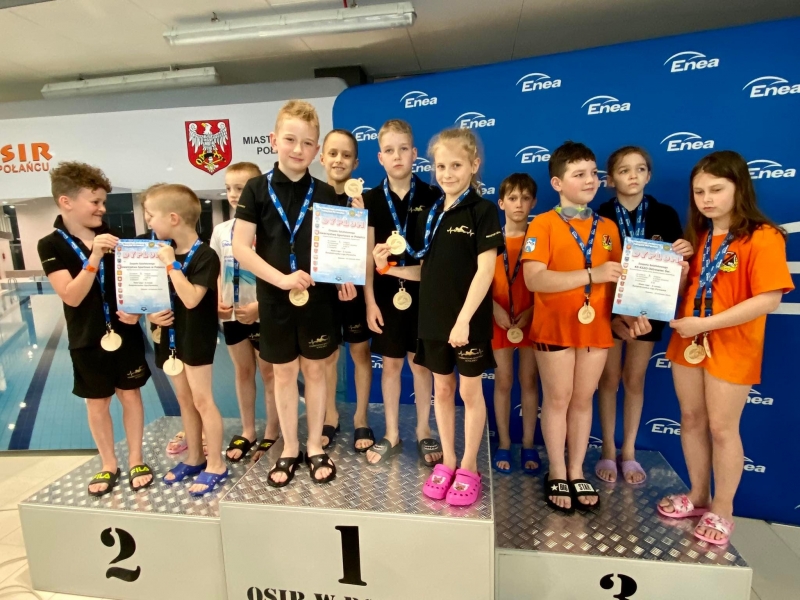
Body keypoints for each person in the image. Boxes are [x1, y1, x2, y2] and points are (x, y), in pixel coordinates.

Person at [658, 150, 793, 545]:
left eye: (716, 189)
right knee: (691, 419)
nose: (707, 199)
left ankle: (723, 509)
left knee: (722, 428)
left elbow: (768, 299)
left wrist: (706, 324)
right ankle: (698, 495)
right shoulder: (699, 238)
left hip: (732, 343)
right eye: (699, 191)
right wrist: (680, 272)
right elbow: (688, 293)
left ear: (739, 188)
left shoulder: (763, 236)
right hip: (689, 340)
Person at [375, 127, 503, 506]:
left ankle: (469, 466)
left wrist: (463, 320)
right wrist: (388, 269)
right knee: (442, 391)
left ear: (474, 165)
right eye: (441, 166)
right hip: (432, 321)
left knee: (469, 392)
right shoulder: (432, 213)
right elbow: (425, 271)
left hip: (468, 323)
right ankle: (447, 461)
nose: (447, 174)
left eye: (456, 165)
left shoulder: (482, 211)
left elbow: (485, 271)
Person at [521, 141, 651, 513]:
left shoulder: (607, 227)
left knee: (582, 401)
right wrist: (591, 274)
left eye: (593, 173)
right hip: (554, 328)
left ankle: (576, 470)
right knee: (558, 400)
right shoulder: (543, 224)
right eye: (579, 174)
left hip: (595, 329)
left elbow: (617, 283)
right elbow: (534, 279)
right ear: (558, 183)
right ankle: (557, 471)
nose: (590, 180)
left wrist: (626, 317)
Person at [232, 99, 355, 487]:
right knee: (283, 373)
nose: (298, 149)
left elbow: (338, 251)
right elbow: (240, 248)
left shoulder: (327, 193)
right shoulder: (256, 189)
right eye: (290, 139)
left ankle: (315, 445)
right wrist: (281, 280)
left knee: (316, 371)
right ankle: (289, 447)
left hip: (317, 300)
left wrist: (345, 277)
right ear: (274, 140)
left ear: (316, 149)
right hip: (275, 300)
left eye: (307, 143)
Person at [38, 161, 153, 496]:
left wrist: (138, 311)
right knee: (97, 402)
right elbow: (71, 296)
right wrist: (94, 257)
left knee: (130, 395)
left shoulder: (117, 240)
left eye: (103, 201)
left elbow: (136, 288)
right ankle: (108, 463)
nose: (102, 208)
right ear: (66, 201)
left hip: (124, 333)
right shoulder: (51, 245)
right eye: (95, 201)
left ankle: (135, 458)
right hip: (86, 337)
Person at [595, 147, 693, 484]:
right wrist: (609, 315)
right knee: (608, 380)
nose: (633, 176)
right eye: (624, 170)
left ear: (649, 175)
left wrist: (683, 258)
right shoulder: (601, 215)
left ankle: (629, 452)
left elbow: (677, 274)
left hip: (650, 311)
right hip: (609, 311)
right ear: (610, 179)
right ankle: (608, 449)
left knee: (634, 380)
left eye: (639, 169)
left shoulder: (665, 214)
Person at [363, 119, 442, 467]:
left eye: (403, 149)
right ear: (380, 157)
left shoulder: (433, 196)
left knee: (420, 365)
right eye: (389, 150)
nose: (397, 156)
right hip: (384, 297)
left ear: (414, 153)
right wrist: (369, 302)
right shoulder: (368, 200)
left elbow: (436, 260)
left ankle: (424, 429)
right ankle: (392, 433)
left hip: (424, 296)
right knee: (391, 365)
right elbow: (366, 261)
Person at [147, 184, 228, 496]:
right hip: (168, 337)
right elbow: (152, 295)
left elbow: (192, 298)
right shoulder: (160, 252)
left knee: (202, 400)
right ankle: (195, 457)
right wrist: (151, 315)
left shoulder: (205, 255)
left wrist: (171, 265)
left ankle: (216, 464)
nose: (149, 221)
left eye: (151, 215)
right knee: (185, 400)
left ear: (173, 218)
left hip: (195, 337)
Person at [211, 162, 280, 464]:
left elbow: (278, 274)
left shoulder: (270, 229)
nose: (233, 194)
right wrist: (218, 300)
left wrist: (259, 307)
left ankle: (272, 430)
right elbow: (218, 269)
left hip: (263, 312)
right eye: (229, 188)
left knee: (270, 374)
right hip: (232, 314)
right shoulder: (221, 231)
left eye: (240, 188)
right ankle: (248, 430)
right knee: (243, 372)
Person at [318, 129, 375, 452]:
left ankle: (361, 417)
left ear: (356, 162)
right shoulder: (312, 198)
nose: (339, 160)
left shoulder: (364, 201)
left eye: (346, 155)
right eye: (333, 153)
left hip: (354, 289)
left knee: (360, 352)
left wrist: (360, 215)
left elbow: (368, 253)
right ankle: (330, 415)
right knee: (327, 355)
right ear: (322, 157)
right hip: (323, 291)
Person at [491, 173, 540, 475]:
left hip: (531, 319)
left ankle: (529, 443)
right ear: (501, 203)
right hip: (499, 318)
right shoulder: (491, 240)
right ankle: (505, 443)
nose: (519, 204)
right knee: (504, 381)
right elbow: (478, 281)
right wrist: (492, 308)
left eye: (525, 198)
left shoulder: (539, 239)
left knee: (529, 381)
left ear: (533, 202)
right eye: (512, 198)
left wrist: (533, 310)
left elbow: (546, 283)